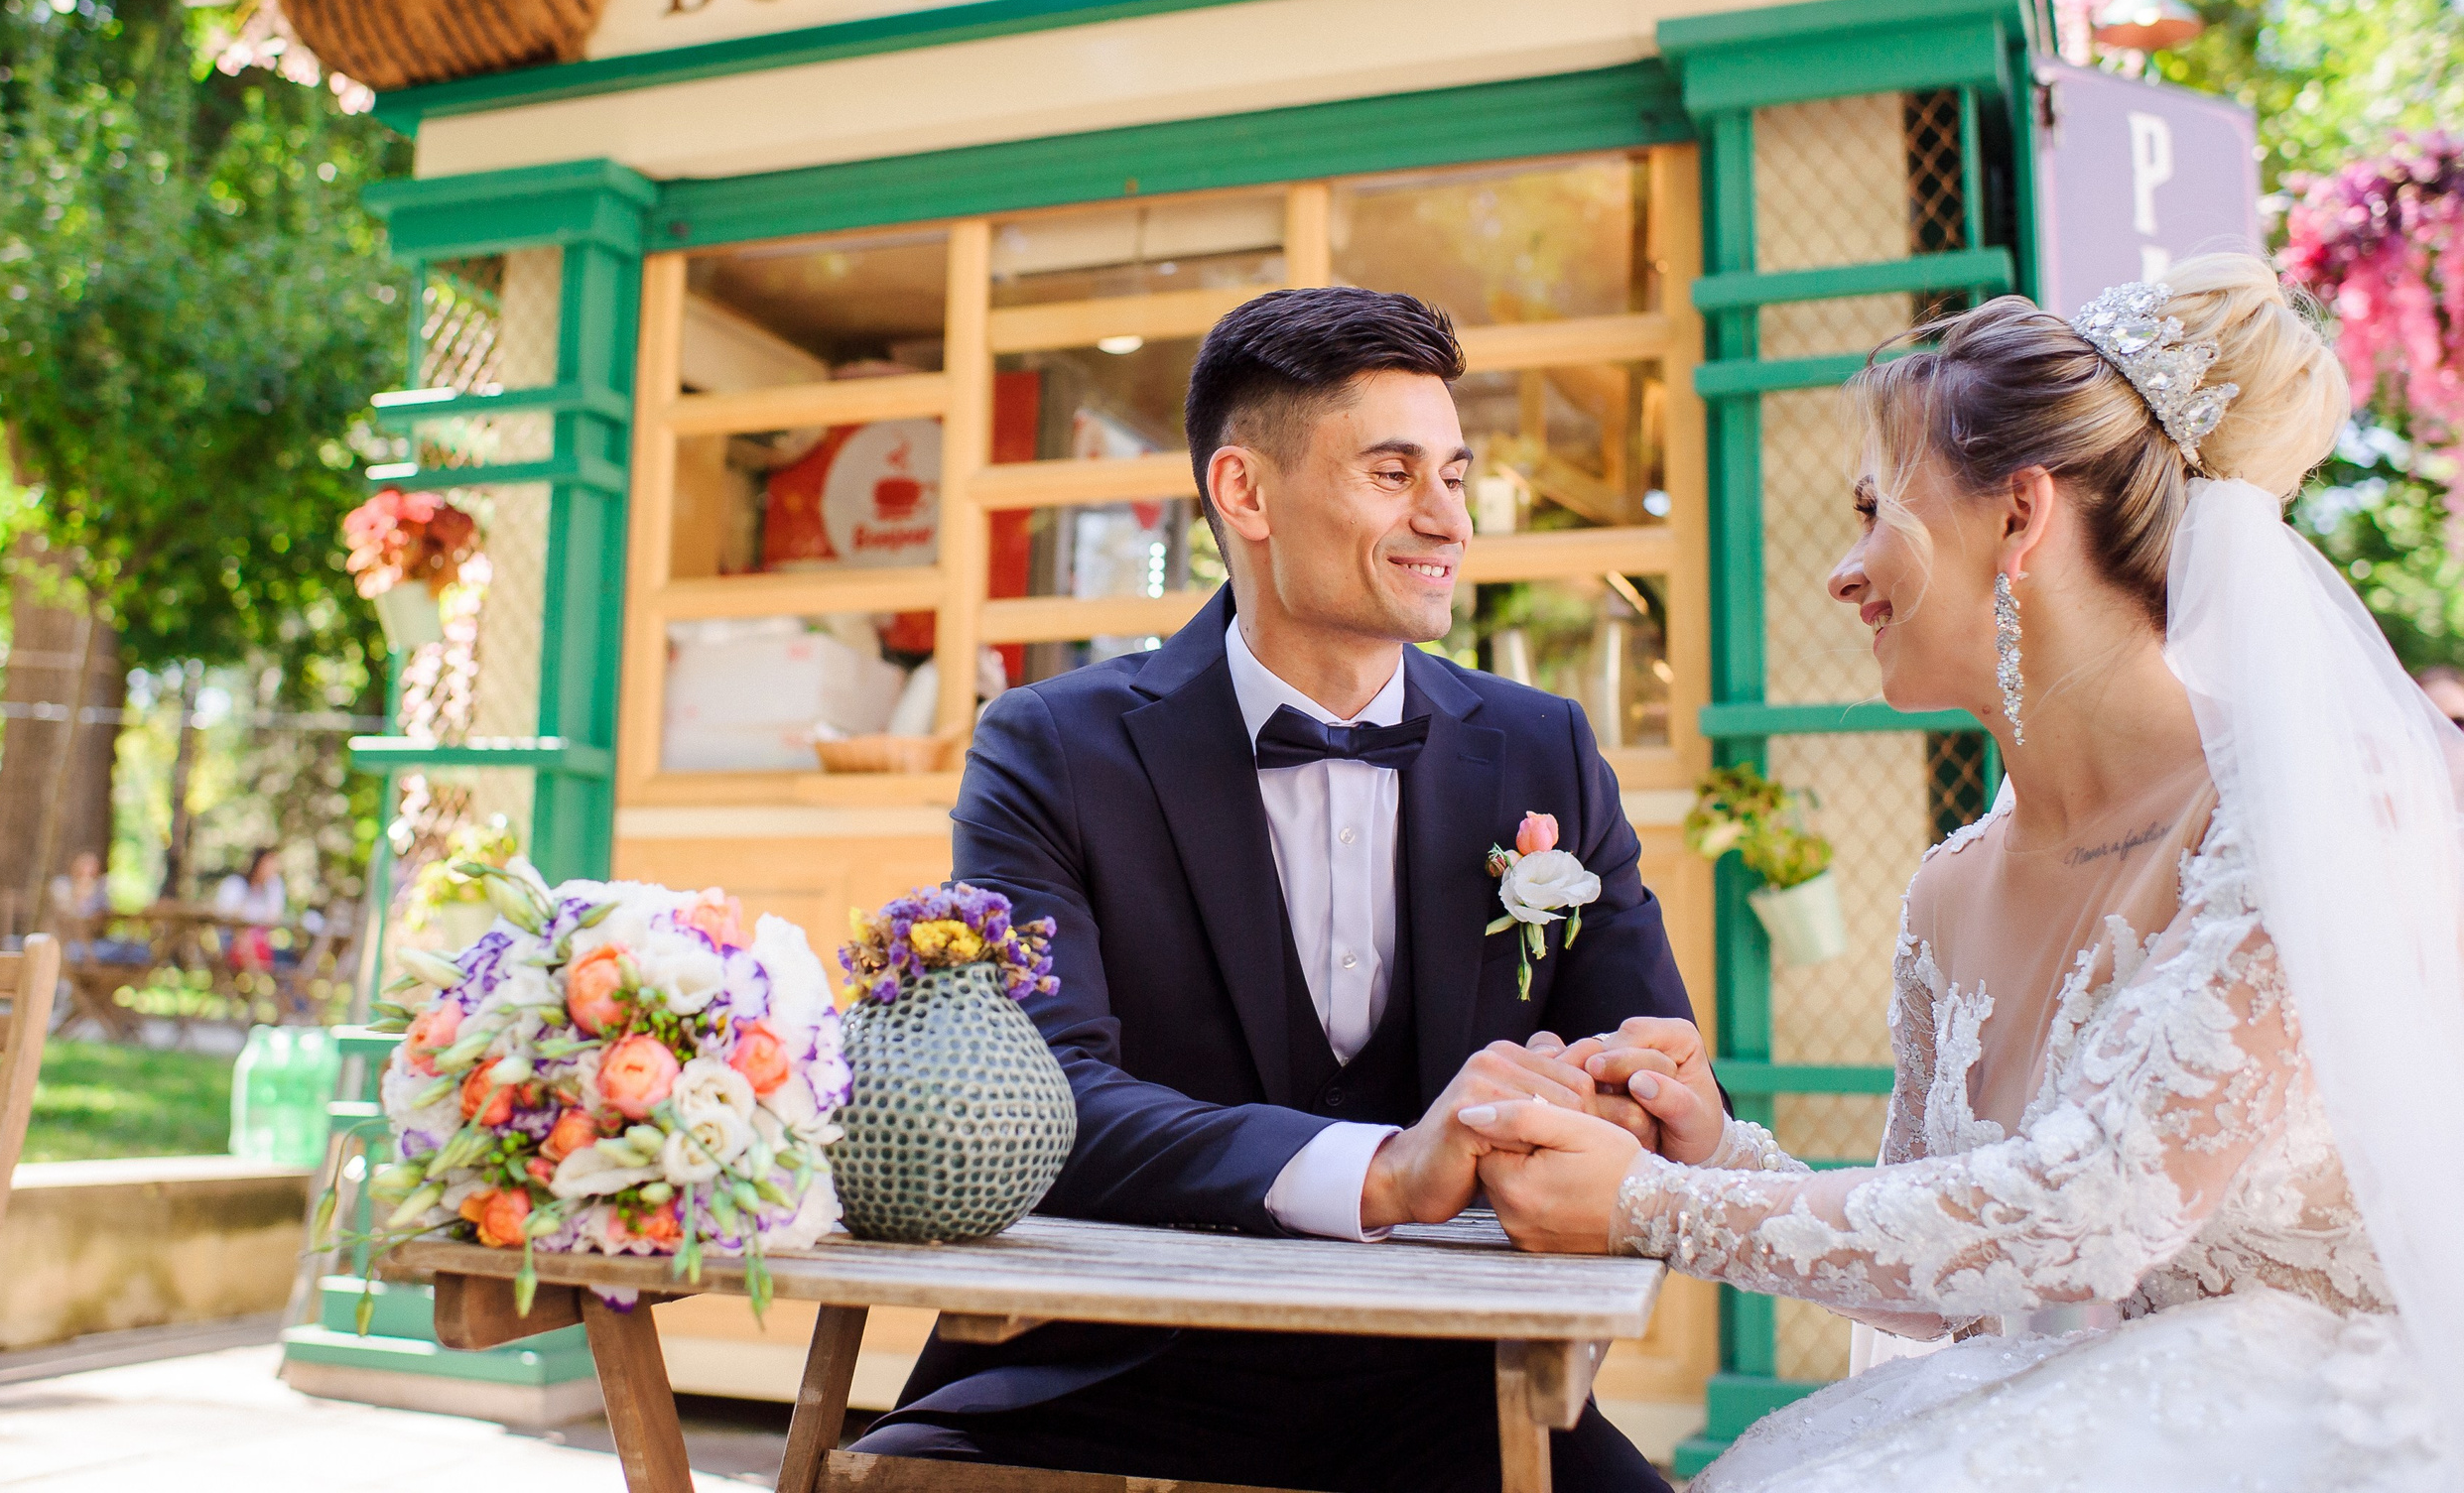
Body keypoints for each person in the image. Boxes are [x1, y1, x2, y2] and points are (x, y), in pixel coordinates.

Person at [1458, 255, 2464, 1491]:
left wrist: (1649, 1207)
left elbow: (2096, 1208)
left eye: (1877, 509)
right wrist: (1708, 1151)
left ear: (2020, 517)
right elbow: (1939, 1270)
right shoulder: (1947, 888)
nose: (1844, 570)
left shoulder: (2307, 811)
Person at [851, 287, 1704, 1491]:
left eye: (1454, 475)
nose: (1446, 519)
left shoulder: (1542, 747)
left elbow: (1643, 1057)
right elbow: (1040, 1102)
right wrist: (1381, 1171)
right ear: (1244, 493)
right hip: (1107, 1366)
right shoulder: (1051, 746)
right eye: (1394, 472)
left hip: (1454, 1383)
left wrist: (1625, 1096)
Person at [213, 847, 286, 974]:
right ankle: (259, 980)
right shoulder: (235, 884)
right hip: (232, 938)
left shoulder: (270, 888)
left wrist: (275, 886)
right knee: (245, 939)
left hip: (259, 941)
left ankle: (259, 980)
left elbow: (273, 919)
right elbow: (226, 917)